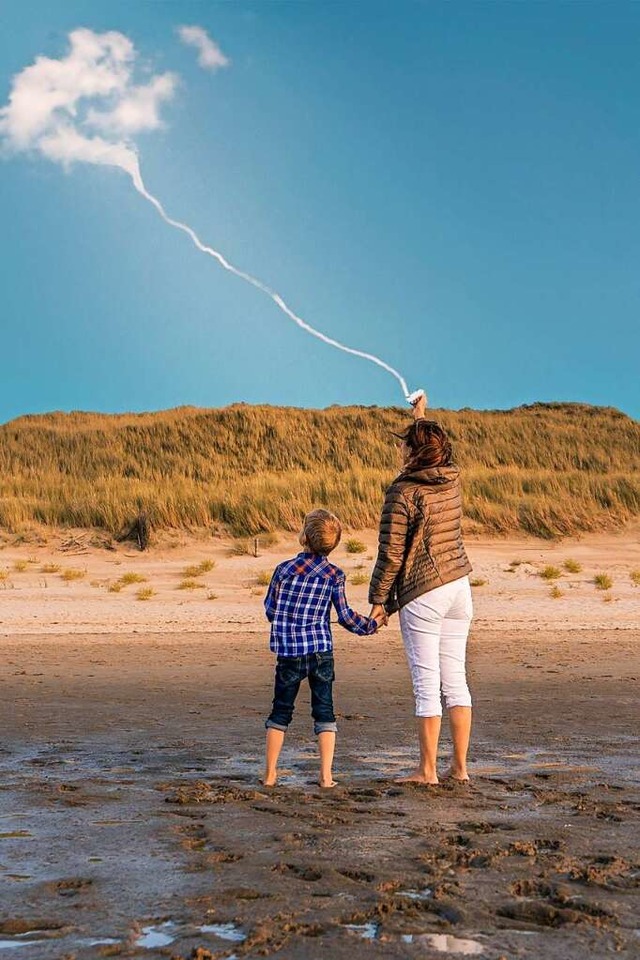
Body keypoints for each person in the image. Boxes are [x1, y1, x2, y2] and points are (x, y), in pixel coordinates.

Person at [368, 393, 473, 785]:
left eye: (404, 445)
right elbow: (434, 447)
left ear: (414, 452)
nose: (400, 450)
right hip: (459, 587)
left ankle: (427, 770)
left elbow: (391, 554)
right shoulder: (451, 478)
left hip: (424, 591)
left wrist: (379, 601)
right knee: (456, 680)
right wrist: (421, 416)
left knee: (427, 685)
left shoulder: (403, 492)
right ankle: (459, 769)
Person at [263, 508, 385, 788]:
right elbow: (344, 616)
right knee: (325, 711)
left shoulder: (283, 570)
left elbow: (270, 609)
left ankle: (270, 774)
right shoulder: (334, 575)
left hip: (289, 651)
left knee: (280, 711)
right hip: (320, 650)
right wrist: (371, 624)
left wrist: (285, 619)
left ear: (304, 537)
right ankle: (326, 776)